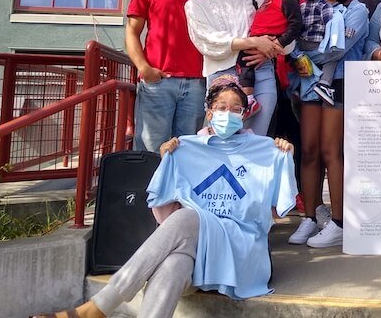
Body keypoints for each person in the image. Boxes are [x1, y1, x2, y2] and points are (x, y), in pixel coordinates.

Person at [39, 77, 298, 318]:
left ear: (243, 116)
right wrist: (168, 161)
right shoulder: (184, 148)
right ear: (209, 113)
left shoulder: (265, 150)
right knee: (174, 263)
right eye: (221, 107)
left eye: (236, 109)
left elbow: (278, 209)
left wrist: (283, 154)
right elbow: (163, 209)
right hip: (198, 253)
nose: (228, 114)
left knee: (187, 216)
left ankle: (98, 307)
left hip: (239, 252)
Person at [289, 0, 369, 247]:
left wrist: (304, 57)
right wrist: (300, 55)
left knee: (331, 151)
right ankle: (310, 218)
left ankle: (339, 222)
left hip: (340, 83)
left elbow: (338, 48)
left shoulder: (358, 11)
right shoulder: (319, 7)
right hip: (310, 83)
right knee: (309, 150)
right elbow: (299, 36)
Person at [125, 0, 208, 152]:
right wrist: (144, 68)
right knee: (151, 149)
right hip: (157, 81)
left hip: (196, 83)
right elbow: (132, 32)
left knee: (188, 150)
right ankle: (148, 190)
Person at [184, 0, 282, 136]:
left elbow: (284, 38)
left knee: (257, 137)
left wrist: (268, 51)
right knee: (225, 137)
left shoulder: (256, 0)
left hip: (261, 73)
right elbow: (208, 40)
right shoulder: (196, 5)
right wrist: (254, 42)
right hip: (221, 73)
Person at [235, 0, 302, 99]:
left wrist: (278, 43)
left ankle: (248, 98)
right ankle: (247, 97)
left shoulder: (289, 0)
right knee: (246, 65)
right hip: (258, 39)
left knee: (246, 63)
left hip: (271, 39)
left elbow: (296, 26)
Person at [291, 0, 345, 106]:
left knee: (305, 64)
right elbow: (329, 24)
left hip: (302, 44)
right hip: (317, 44)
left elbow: (297, 26)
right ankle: (324, 84)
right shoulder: (325, 7)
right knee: (332, 59)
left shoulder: (301, 7)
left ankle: (299, 89)